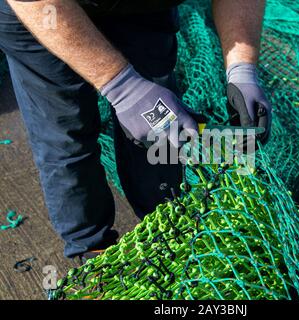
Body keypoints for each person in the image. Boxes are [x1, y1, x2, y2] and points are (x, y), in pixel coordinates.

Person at [0, 0, 272, 260]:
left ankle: (167, 224)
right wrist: (123, 88)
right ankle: (94, 252)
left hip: (141, 7)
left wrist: (242, 70)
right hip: (45, 11)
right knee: (65, 134)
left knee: (161, 130)